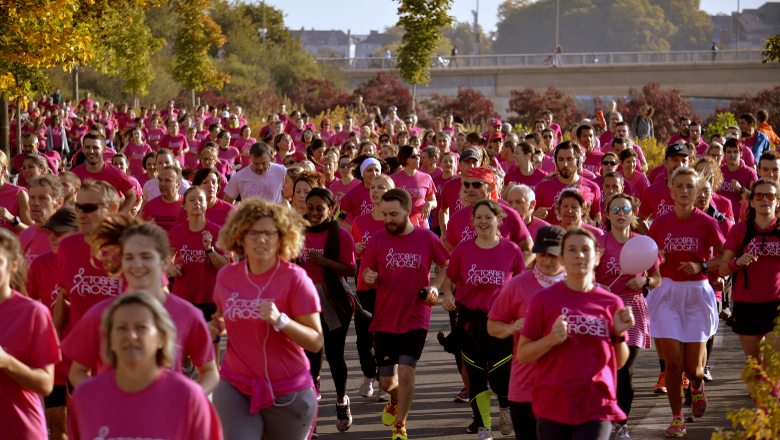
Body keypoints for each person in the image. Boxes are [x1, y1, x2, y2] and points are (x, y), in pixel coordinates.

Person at [64, 214, 219, 392]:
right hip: (117, 417)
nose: (137, 264)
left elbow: (209, 371)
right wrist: (101, 401)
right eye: (129, 257)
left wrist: (189, 401)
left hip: (165, 416)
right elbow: (77, 372)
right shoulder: (101, 314)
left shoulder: (187, 314)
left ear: (165, 262)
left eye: (146, 257)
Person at [210, 198, 322, 440]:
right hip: (235, 385)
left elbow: (315, 341)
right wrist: (216, 326)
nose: (261, 239)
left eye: (269, 233)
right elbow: (225, 320)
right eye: (253, 233)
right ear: (239, 236)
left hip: (288, 391)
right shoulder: (226, 277)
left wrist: (281, 320)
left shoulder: (296, 279)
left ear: (281, 238)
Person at [515, 228, 635, 440]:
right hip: (554, 402)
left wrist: (619, 334)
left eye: (585, 250)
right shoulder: (543, 299)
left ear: (597, 257)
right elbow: (523, 354)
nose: (579, 255)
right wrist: (551, 339)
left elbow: (618, 362)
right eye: (571, 250)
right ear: (562, 257)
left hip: (597, 403)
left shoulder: (611, 302)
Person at [68, 291, 222, 439]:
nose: (131, 335)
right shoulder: (85, 396)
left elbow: (210, 371)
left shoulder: (189, 396)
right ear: (108, 338)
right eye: (121, 328)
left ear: (162, 337)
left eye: (141, 327)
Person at [362, 188, 450, 440]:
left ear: (408, 212)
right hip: (386, 316)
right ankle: (395, 399)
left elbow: (446, 264)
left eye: (394, 214)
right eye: (385, 214)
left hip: (416, 314)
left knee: (406, 370)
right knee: (386, 383)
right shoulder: (378, 239)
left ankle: (400, 424)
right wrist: (369, 277)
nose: (388, 219)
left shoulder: (426, 238)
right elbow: (367, 274)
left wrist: (434, 286)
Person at [646, 167, 725, 436]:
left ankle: (697, 385)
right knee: (673, 363)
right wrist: (658, 259)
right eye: (678, 186)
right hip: (666, 293)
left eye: (689, 187)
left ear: (697, 191)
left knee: (694, 369)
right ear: (670, 190)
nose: (683, 191)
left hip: (696, 294)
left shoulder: (707, 222)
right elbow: (648, 258)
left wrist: (702, 264)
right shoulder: (659, 223)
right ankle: (677, 418)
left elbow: (725, 256)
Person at [442, 199, 524, 438]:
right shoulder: (462, 249)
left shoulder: (512, 250)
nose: (483, 222)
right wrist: (447, 294)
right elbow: (450, 280)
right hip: (470, 322)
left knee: (500, 377)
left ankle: (506, 407)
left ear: (498, 220)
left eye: (489, 217)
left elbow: (521, 283)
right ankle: (484, 428)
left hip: (501, 321)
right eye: (479, 217)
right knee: (476, 377)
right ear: (473, 221)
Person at [488, 224, 566, 440]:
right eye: (541, 254)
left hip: (567, 388)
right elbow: (492, 326)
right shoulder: (518, 285)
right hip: (526, 386)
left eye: (553, 255)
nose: (546, 261)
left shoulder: (579, 285)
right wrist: (511, 327)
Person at [595, 193, 661, 440]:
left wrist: (645, 280)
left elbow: (657, 278)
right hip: (603, 309)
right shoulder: (598, 244)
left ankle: (622, 424)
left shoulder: (643, 243)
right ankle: (601, 415)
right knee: (605, 368)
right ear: (608, 214)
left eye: (626, 209)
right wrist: (600, 288)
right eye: (616, 209)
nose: (621, 213)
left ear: (633, 214)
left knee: (625, 370)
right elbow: (586, 278)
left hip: (633, 309)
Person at [298, 187, 357, 432]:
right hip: (303, 302)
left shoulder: (342, 235)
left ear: (331, 209)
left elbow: (351, 270)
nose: (313, 213)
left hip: (334, 302)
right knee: (310, 359)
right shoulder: (296, 231)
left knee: (334, 356)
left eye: (319, 208)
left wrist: (324, 263)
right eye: (309, 207)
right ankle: (310, 416)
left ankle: (342, 400)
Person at [0, 228, 61, 440]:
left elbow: (45, 384)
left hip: (20, 430)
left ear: (13, 266)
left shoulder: (33, 313)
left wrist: (7, 362)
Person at [720, 178, 780, 374]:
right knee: (755, 368)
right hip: (746, 304)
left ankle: (771, 401)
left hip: (776, 304)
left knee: (773, 364)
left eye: (770, 196)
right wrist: (737, 262)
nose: (765, 199)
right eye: (759, 196)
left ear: (777, 201)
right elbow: (723, 270)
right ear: (751, 202)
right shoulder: (739, 230)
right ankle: (762, 400)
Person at [53, 180, 123, 337]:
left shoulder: (133, 247)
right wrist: (55, 337)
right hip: (78, 349)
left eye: (89, 208)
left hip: (121, 352)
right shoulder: (66, 247)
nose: (81, 215)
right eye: (78, 208)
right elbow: (64, 296)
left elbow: (161, 298)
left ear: (112, 209)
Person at [351, 175, 395, 402]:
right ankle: (369, 374)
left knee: (386, 337)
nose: (375, 191)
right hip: (365, 287)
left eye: (382, 188)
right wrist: (356, 249)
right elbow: (352, 257)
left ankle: (385, 383)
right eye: (373, 187)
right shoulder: (359, 222)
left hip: (390, 288)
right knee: (363, 338)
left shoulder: (395, 222)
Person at [534, 142, 602, 226]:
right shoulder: (542, 187)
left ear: (579, 161)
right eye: (561, 159)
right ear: (555, 161)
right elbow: (530, 216)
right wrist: (534, 215)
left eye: (570, 159)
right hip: (552, 237)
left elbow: (597, 216)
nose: (565, 164)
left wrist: (594, 223)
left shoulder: (592, 187)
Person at [70, 132, 137, 214]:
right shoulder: (74, 174)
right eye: (87, 147)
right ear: (83, 149)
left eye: (95, 148)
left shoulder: (117, 173)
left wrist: (120, 216)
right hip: (82, 224)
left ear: (104, 149)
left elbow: (131, 196)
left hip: (108, 225)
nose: (91, 151)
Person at [18, 174, 63, 266]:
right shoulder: (22, 237)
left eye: (43, 198)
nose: (35, 203)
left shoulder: (65, 238)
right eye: (32, 198)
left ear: (59, 203)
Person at [392, 146, 437, 229]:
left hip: (422, 224)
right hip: (401, 223)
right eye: (413, 156)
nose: (418, 158)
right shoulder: (393, 179)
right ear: (404, 159)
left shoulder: (426, 178)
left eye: (418, 155)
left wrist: (429, 204)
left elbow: (434, 201)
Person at [338, 156, 386, 228]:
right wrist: (355, 232)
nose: (374, 173)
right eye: (369, 170)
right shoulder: (352, 194)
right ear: (362, 173)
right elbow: (337, 219)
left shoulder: (387, 191)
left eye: (377, 170)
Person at [719, 138, 758, 216]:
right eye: (729, 152)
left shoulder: (750, 173)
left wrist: (741, 189)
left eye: (735, 152)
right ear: (724, 154)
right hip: (720, 220)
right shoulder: (718, 172)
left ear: (741, 154)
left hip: (741, 220)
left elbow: (757, 197)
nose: (732, 155)